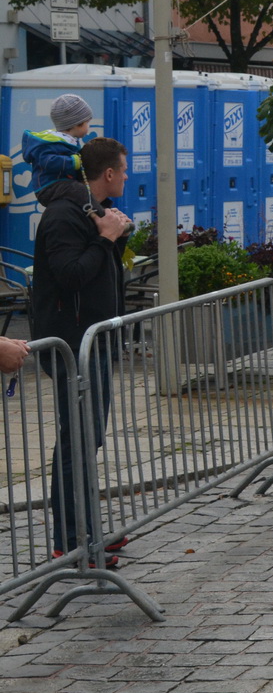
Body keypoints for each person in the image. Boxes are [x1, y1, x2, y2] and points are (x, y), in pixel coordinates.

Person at [29, 136, 131, 568]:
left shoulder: (90, 211)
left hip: (94, 340)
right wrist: (106, 240)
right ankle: (70, 541)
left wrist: (116, 234)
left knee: (87, 440)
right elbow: (72, 275)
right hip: (71, 344)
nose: (127, 176)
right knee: (77, 441)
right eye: (124, 170)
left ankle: (86, 529)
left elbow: (103, 271)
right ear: (108, 174)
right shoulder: (62, 216)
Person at [22, 94, 93, 192]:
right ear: (77, 124)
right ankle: (90, 207)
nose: (88, 127)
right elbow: (47, 161)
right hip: (48, 186)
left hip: (60, 183)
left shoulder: (69, 141)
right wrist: (73, 162)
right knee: (80, 191)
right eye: (87, 122)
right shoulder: (52, 143)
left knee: (82, 189)